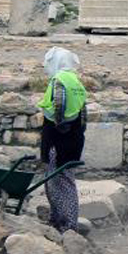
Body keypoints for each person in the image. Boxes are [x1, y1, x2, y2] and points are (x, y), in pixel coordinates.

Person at [37, 47, 88, 233]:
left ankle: (65, 224)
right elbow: (83, 112)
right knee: (64, 180)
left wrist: (59, 126)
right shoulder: (75, 81)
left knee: (57, 181)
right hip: (74, 138)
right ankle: (61, 220)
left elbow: (58, 105)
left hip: (58, 139)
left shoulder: (58, 80)